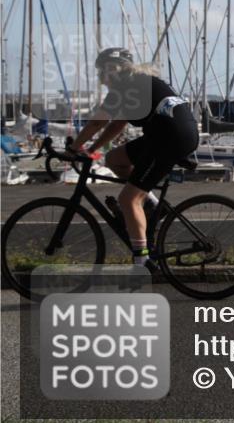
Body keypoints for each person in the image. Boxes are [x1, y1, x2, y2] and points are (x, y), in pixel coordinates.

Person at [69, 48, 199, 266]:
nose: (101, 78)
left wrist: (74, 147)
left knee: (128, 199)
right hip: (169, 134)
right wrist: (92, 148)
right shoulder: (135, 83)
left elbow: (97, 122)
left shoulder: (123, 87)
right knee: (114, 159)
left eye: (101, 72)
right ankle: (155, 206)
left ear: (113, 70)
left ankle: (143, 261)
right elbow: (117, 124)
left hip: (168, 138)